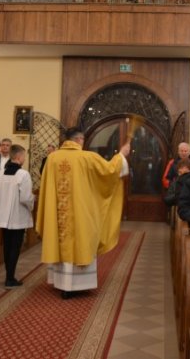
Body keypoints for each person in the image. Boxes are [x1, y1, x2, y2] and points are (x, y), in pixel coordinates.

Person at [36, 127, 130, 299]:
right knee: (81, 242)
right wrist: (121, 155)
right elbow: (110, 171)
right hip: (80, 214)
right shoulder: (87, 157)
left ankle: (62, 284)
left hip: (58, 214)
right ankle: (77, 286)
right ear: (79, 140)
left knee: (60, 240)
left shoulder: (52, 158)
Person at [0, 144, 34, 289]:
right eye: (24, 156)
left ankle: (8, 275)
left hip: (3, 216)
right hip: (18, 216)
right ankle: (10, 278)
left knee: (7, 246)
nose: (24, 159)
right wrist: (32, 202)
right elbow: (25, 198)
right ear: (18, 157)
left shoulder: (1, 173)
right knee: (15, 247)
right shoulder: (23, 174)